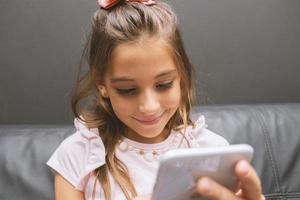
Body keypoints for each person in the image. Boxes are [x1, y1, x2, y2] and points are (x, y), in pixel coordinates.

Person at [46, 0, 265, 199]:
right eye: (128, 89)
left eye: (163, 85)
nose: (149, 107)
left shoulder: (211, 150)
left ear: (181, 76)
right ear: (101, 83)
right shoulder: (77, 155)